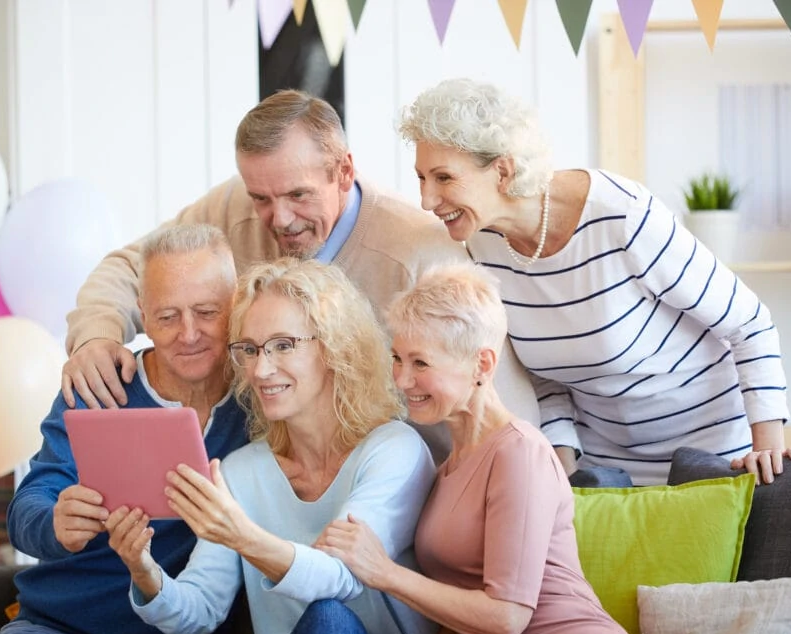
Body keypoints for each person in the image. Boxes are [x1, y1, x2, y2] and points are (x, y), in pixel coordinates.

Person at [61, 88, 539, 462]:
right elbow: (134, 267)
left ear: (344, 171)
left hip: (403, 485)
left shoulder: (419, 253)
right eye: (261, 199)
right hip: (275, 470)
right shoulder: (233, 207)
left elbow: (500, 407)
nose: (280, 219)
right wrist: (97, 333)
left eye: (298, 195)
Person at [394, 77, 791, 486]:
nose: (427, 200)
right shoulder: (482, 244)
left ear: (502, 170)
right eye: (421, 178)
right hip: (607, 472)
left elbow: (749, 324)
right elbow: (546, 377)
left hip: (712, 455)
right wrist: (564, 474)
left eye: (443, 178)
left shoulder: (622, 216)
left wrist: (765, 447)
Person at [106, 258, 437, 634]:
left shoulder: (393, 450)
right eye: (249, 349)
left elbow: (342, 577)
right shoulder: (242, 472)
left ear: (335, 347)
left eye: (283, 345)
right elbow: (201, 610)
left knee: (331, 619)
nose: (260, 370)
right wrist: (144, 571)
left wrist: (243, 536)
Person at [317, 262, 650, 634]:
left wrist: (385, 573)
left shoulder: (519, 451)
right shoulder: (445, 472)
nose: (401, 379)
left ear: (482, 364)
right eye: (397, 358)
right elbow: (456, 626)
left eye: (421, 363)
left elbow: (508, 618)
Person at [0, 225, 250, 634]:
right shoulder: (101, 385)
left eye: (206, 312)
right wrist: (54, 523)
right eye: (167, 317)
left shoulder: (259, 406)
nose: (188, 334)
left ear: (235, 305)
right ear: (142, 314)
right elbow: (27, 508)